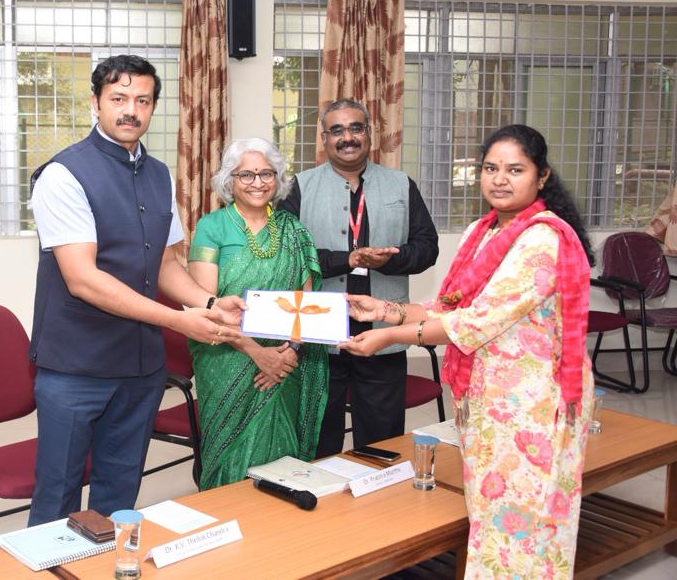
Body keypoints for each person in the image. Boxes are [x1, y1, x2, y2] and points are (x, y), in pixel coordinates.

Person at [341, 124, 595, 578]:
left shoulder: (541, 238)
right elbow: (449, 305)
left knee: (525, 521)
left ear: (542, 177)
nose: (500, 179)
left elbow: (475, 322)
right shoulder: (486, 231)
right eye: (491, 168)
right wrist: (384, 309)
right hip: (487, 398)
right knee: (489, 511)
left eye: (515, 169)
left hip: (532, 405)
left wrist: (389, 336)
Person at [27, 54, 243, 525]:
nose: (131, 110)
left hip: (139, 366)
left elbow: (165, 263)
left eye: (142, 100)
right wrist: (177, 318)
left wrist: (207, 302)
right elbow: (82, 278)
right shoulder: (62, 175)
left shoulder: (160, 174)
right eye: (119, 98)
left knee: (119, 495)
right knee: (57, 498)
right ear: (96, 103)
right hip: (75, 367)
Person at [277, 99, 438, 457]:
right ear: (324, 138)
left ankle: (377, 505)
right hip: (320, 335)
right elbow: (286, 256)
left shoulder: (400, 185)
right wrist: (346, 260)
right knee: (319, 438)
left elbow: (428, 248)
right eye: (337, 130)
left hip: (384, 331)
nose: (347, 137)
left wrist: (390, 260)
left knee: (382, 441)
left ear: (369, 134)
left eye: (355, 128)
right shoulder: (298, 187)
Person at [186, 138, 328, 490]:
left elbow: (307, 300)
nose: (258, 182)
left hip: (285, 360)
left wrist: (290, 352)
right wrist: (257, 353)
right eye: (246, 174)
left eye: (267, 173)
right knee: (229, 451)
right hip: (227, 356)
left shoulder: (294, 230)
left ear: (278, 179)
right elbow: (208, 305)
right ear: (229, 181)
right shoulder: (212, 227)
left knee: (282, 458)